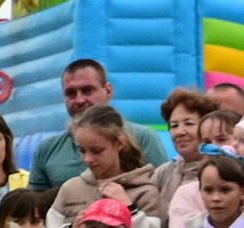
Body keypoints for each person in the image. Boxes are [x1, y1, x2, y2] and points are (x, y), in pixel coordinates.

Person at [43, 107, 168, 228]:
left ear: (119, 144)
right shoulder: (70, 189)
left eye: (97, 151)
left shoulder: (144, 191)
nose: (88, 159)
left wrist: (130, 210)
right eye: (81, 150)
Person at [28, 59, 171, 190]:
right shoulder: (47, 149)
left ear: (108, 91)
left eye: (87, 90)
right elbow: (33, 209)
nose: (79, 100)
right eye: (71, 93)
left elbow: (162, 194)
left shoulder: (143, 138)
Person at [155, 88, 212, 210]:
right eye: (174, 125)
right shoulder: (163, 172)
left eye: (189, 123)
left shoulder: (222, 170)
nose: (179, 132)